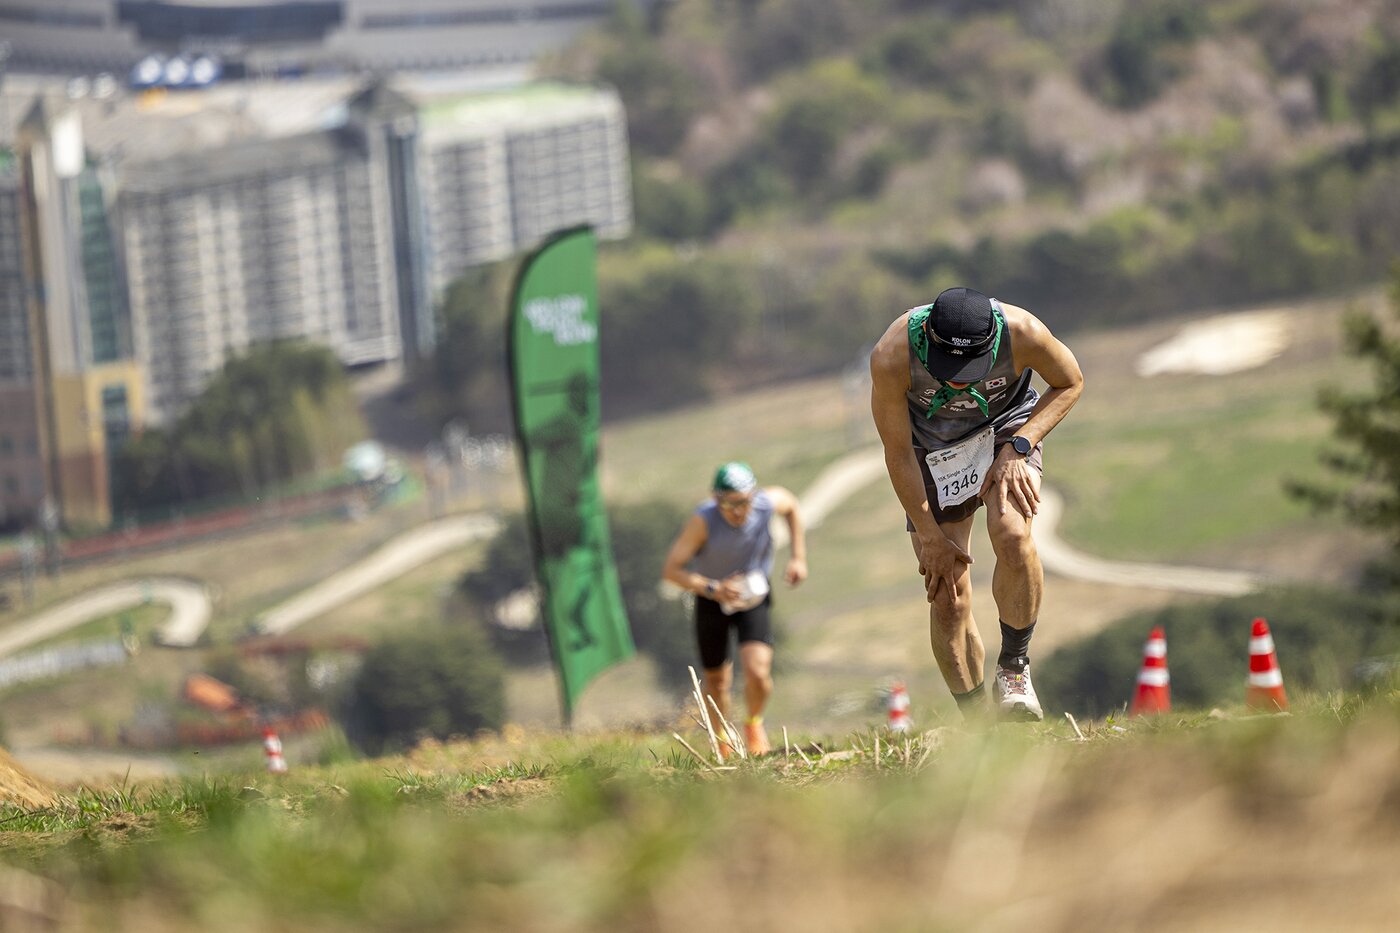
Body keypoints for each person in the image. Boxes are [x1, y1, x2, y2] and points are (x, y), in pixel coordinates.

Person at [869, 287, 1084, 721]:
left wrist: (1020, 447)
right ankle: (976, 722)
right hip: (930, 449)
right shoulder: (893, 355)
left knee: (1012, 532)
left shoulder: (1023, 331)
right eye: (950, 368)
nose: (959, 381)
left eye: (971, 369)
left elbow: (1069, 382)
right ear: (927, 336)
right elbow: (898, 453)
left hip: (1005, 428)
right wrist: (929, 536)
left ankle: (1015, 671)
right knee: (948, 593)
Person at [662, 462, 808, 756]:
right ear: (717, 499)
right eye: (730, 504)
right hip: (712, 599)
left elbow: (791, 505)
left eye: (744, 502)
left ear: (753, 494)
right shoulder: (703, 521)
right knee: (718, 680)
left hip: (752, 595)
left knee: (758, 672)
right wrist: (713, 588)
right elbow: (672, 571)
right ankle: (722, 739)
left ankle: (753, 724)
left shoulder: (767, 503)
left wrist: (798, 557)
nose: (738, 511)